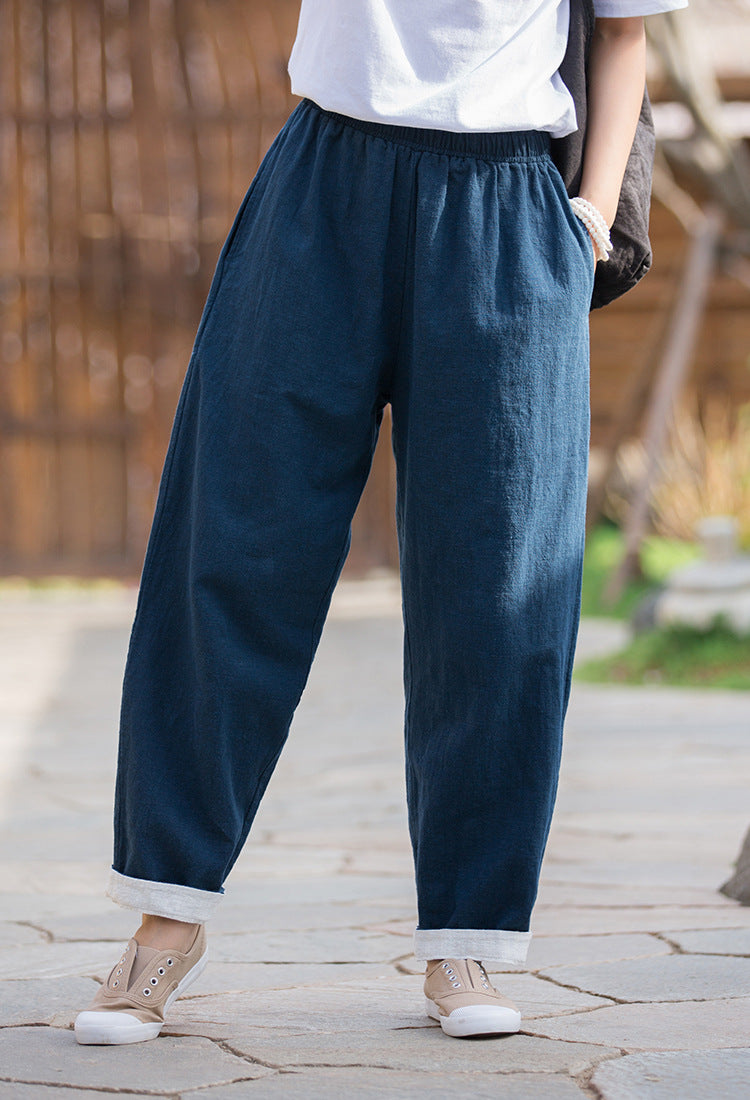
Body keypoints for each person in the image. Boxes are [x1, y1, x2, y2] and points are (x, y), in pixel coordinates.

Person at [74, 0, 686, 1045]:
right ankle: (164, 914)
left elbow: (624, 34)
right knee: (234, 542)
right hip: (323, 183)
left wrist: (587, 217)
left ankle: (468, 934)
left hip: (509, 206)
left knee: (499, 586)